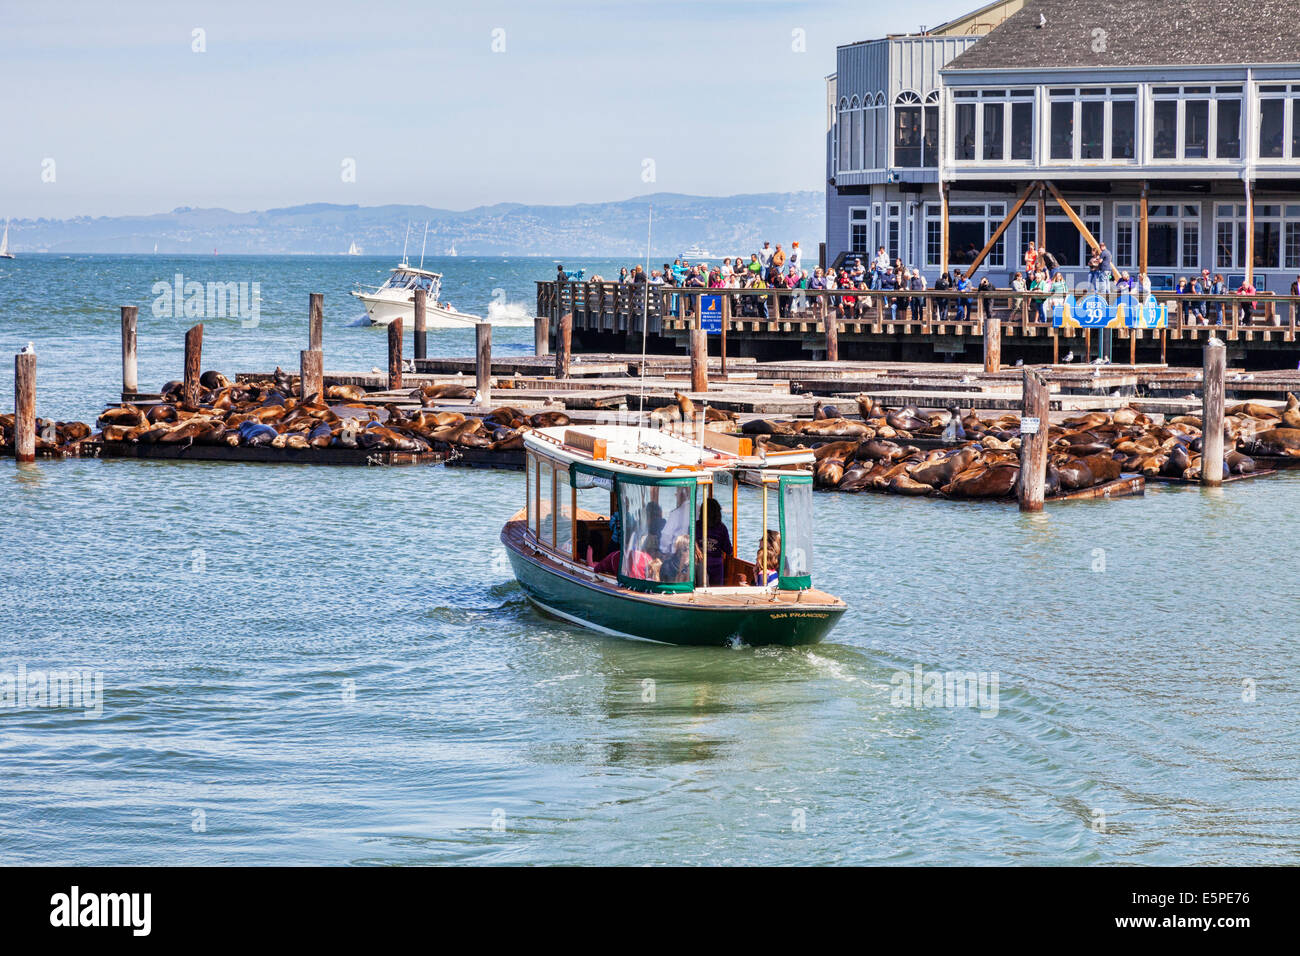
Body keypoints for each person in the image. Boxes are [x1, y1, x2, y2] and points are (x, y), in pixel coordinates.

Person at [695, 497, 732, 587]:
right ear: (717, 513)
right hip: (716, 565)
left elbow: (689, 541)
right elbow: (728, 550)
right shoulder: (721, 528)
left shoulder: (696, 525)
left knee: (700, 589)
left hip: (700, 564)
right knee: (716, 589)